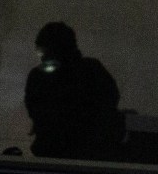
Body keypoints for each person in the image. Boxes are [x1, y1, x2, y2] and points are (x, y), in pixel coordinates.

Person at [23, 22, 125, 160]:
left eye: (43, 50)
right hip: (92, 153)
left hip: (55, 153)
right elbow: (111, 99)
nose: (42, 56)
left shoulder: (38, 77)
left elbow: (35, 109)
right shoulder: (92, 70)